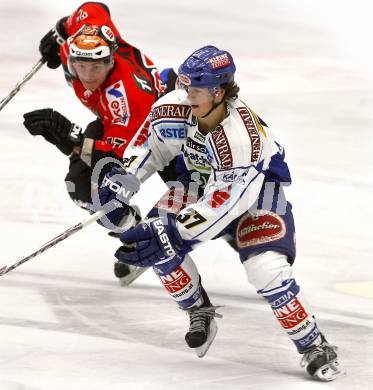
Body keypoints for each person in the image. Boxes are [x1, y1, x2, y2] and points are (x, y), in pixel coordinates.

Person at [95, 45, 343, 381]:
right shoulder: (173, 109)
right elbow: (148, 147)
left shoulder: (243, 137)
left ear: (219, 91)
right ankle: (198, 311)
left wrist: (174, 232)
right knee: (155, 238)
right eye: (185, 86)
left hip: (256, 195)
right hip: (198, 185)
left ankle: (313, 343)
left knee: (264, 268)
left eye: (195, 90)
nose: (186, 95)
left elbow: (225, 206)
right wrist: (124, 179)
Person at [22, 2, 177, 283]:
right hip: (114, 123)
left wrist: (71, 139)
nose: (89, 75)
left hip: (161, 131)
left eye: (97, 66)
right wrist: (60, 30)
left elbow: (118, 155)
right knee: (82, 187)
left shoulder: (125, 98)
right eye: (81, 66)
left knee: (107, 188)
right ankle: (137, 237)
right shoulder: (80, 42)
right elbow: (94, 7)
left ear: (111, 60)